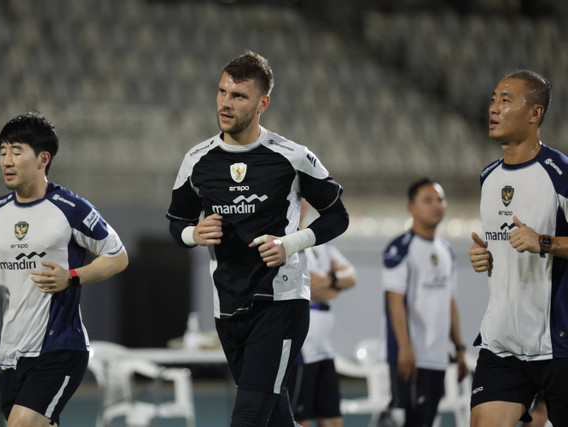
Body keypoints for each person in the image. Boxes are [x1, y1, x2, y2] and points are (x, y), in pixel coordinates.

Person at [166, 51, 349, 427]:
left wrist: (290, 243)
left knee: (248, 417)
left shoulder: (292, 157)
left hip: (279, 302)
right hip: (228, 306)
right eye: (221, 92)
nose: (225, 103)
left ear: (262, 103)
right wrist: (194, 233)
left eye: (238, 96)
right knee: (274, 418)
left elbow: (338, 216)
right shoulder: (197, 160)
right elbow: (177, 224)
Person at [0, 113, 128, 427]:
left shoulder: (72, 209)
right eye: (3, 151)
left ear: (43, 158)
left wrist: (71, 277)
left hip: (59, 349)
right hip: (10, 354)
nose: (7, 159)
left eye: (17, 151)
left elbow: (117, 257)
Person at [469, 69, 568, 426]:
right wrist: (485, 258)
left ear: (534, 113)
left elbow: (538, 244)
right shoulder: (488, 177)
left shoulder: (560, 174)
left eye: (505, 100)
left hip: (557, 345)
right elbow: (501, 247)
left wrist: (544, 242)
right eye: (494, 98)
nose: (493, 108)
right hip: (502, 343)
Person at [381, 178, 467, 427]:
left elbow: (450, 301)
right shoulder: (401, 248)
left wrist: (459, 348)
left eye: (440, 199)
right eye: (428, 200)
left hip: (437, 356)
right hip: (410, 357)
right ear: (411, 208)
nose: (436, 205)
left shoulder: (446, 250)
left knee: (427, 420)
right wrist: (405, 348)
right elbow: (394, 302)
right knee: (407, 420)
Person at [288, 200, 357, 427]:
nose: (302, 202)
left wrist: (331, 280)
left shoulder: (319, 242)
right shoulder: (284, 241)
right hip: (302, 347)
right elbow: (310, 288)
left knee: (332, 418)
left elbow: (351, 277)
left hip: (323, 348)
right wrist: (334, 285)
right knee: (300, 419)